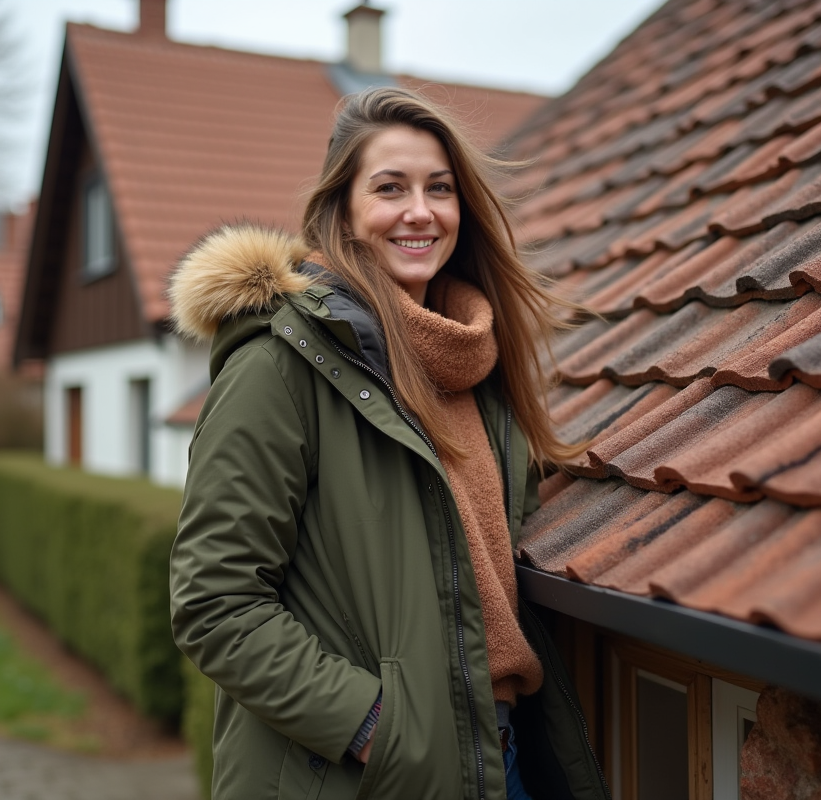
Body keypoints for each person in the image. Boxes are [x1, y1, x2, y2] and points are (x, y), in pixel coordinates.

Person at [168, 87, 609, 800]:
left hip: (502, 760)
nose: (420, 211)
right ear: (342, 209)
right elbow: (214, 601)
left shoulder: (478, 366)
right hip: (371, 775)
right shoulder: (279, 364)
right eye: (390, 187)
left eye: (440, 188)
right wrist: (381, 730)